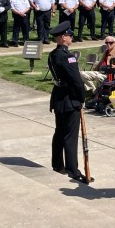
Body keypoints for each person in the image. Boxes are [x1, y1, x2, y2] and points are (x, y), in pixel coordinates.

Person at [47, 21, 91, 184]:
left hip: (59, 96)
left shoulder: (53, 54)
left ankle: (58, 164)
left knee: (60, 131)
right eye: (69, 35)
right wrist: (82, 97)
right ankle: (73, 170)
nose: (71, 37)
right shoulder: (67, 57)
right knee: (70, 135)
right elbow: (77, 81)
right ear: (62, 37)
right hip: (70, 98)